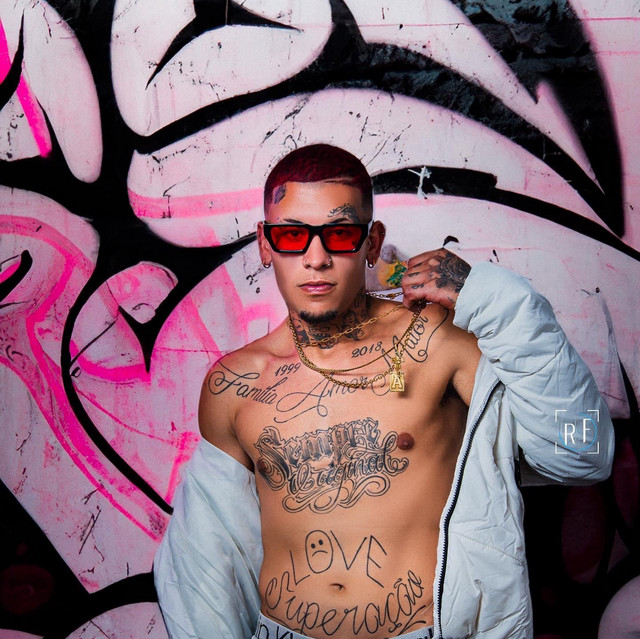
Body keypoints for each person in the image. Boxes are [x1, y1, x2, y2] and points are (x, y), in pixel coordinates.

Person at [154, 144, 614, 639]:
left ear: (372, 243)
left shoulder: (439, 342)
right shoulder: (234, 384)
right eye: (292, 235)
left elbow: (583, 448)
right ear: (266, 245)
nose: (316, 259)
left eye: (340, 234)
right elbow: (206, 566)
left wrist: (496, 301)